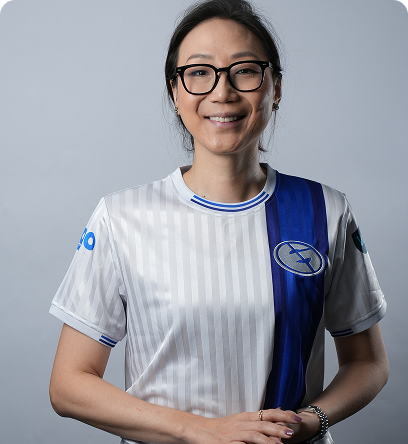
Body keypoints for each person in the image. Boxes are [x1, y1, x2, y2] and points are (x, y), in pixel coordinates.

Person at [49, 1, 389, 443]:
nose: (222, 92)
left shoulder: (324, 209)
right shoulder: (121, 217)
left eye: (244, 71)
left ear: (276, 87)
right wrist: (203, 431)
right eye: (199, 72)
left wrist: (309, 421)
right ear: (175, 92)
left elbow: (367, 362)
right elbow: (69, 385)